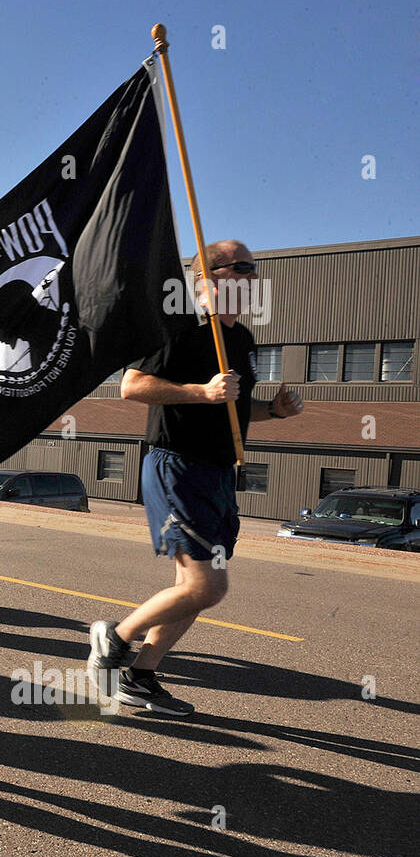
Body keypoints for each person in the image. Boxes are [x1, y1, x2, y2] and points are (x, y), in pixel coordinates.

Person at [88, 240, 304, 716]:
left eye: (254, 268)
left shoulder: (242, 338)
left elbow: (231, 408)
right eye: (242, 268)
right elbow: (132, 386)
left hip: (219, 474)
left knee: (195, 590)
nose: (251, 277)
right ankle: (114, 638)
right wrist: (201, 392)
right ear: (208, 277)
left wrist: (272, 411)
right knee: (207, 586)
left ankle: (139, 676)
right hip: (177, 466)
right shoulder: (181, 326)